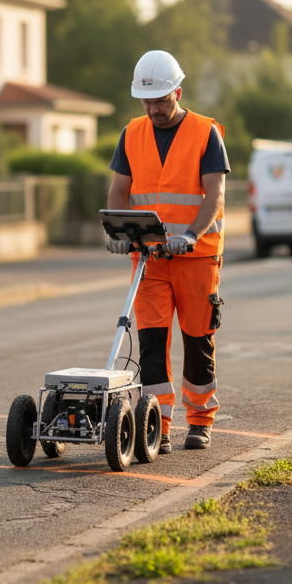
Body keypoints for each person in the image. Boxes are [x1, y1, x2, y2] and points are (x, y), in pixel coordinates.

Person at [106, 50, 229, 452]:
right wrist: (118, 232)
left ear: (178, 92)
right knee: (152, 345)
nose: (153, 109)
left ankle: (200, 420)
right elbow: (119, 190)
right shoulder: (132, 133)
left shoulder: (205, 133)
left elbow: (215, 193)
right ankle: (156, 425)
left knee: (197, 341)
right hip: (149, 260)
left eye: (160, 100)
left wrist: (191, 234)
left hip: (196, 258)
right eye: (146, 101)